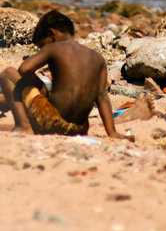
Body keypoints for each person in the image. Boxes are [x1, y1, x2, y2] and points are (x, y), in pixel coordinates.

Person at [0, 10, 134, 140]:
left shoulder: (54, 47)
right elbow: (102, 97)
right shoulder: (97, 58)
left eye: (41, 46)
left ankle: (23, 126)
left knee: (8, 74)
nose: (42, 50)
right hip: (79, 129)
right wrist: (112, 132)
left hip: (51, 120)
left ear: (51, 33)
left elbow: (24, 69)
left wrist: (40, 86)